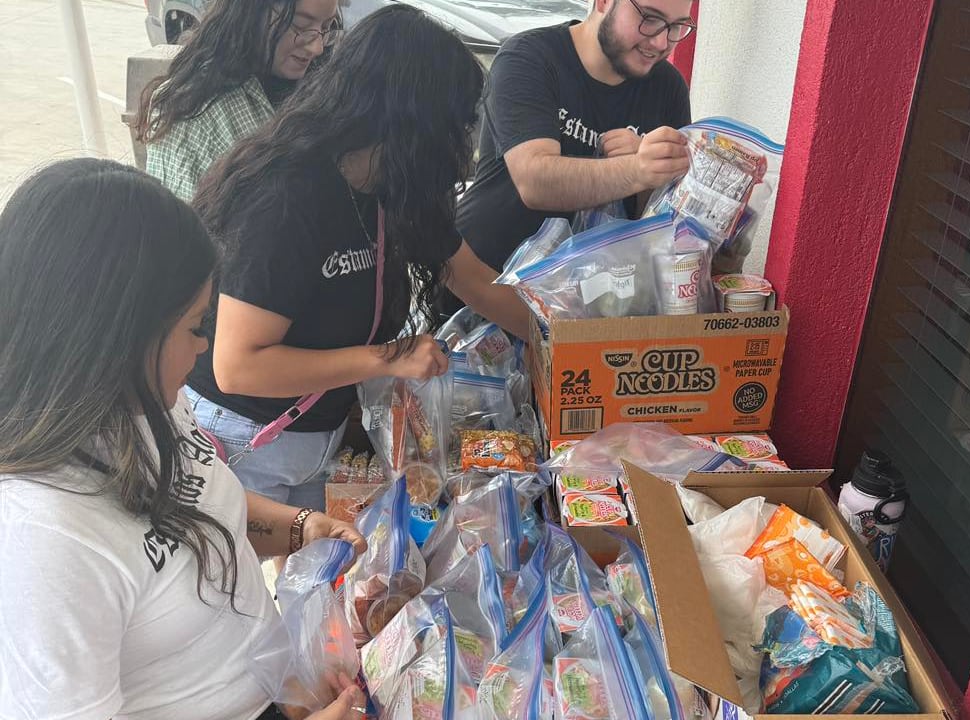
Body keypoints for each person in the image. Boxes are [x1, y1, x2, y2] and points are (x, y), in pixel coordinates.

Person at [0, 159, 366, 720]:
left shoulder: (140, 403)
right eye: (197, 327)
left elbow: (189, 505)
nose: (205, 348)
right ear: (117, 340)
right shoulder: (41, 543)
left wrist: (297, 528)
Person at [186, 6, 531, 511]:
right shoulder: (285, 197)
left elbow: (475, 280)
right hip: (243, 435)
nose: (464, 146)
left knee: (316, 573)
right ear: (410, 120)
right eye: (455, 126)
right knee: (235, 582)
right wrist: (388, 359)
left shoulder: (396, 188)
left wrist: (559, 341)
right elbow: (239, 367)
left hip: (318, 428)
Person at [455, 0, 696, 278]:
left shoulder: (668, 87)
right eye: (650, 18)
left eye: (676, 26)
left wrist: (653, 170)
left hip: (591, 297)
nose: (661, 42)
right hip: (486, 284)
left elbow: (665, 225)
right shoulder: (529, 57)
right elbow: (535, 182)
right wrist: (640, 169)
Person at [137, 0, 341, 202]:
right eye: (301, 26)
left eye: (326, 27)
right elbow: (185, 226)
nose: (317, 47)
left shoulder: (316, 89)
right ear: (252, 12)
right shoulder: (195, 111)